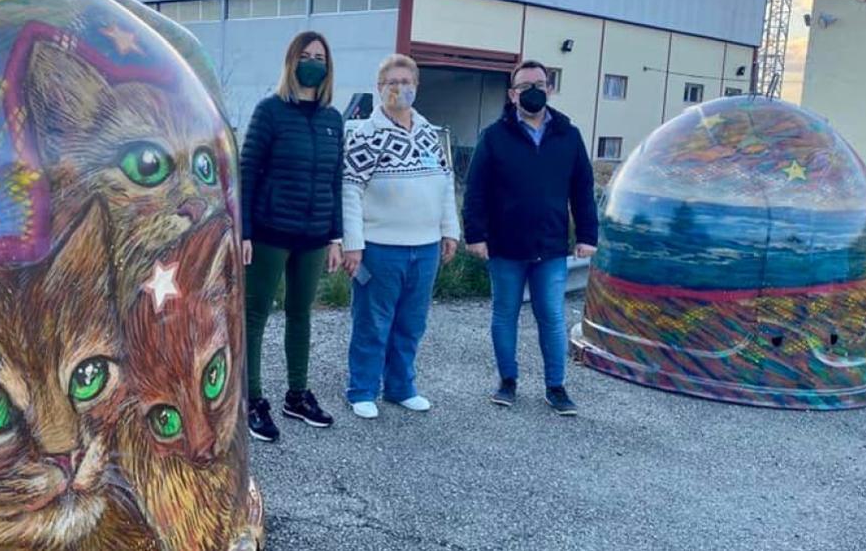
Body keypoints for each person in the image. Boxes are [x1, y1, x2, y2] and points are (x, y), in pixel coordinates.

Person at [462, 60, 599, 415]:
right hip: (505, 246)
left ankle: (556, 387)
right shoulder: (494, 136)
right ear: (512, 94)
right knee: (504, 314)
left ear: (550, 89)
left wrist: (587, 234)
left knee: (551, 316)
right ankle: (507, 382)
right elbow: (475, 189)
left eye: (539, 84)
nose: (533, 91)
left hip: (551, 247)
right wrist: (475, 234)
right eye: (524, 86)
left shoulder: (568, 134)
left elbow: (583, 188)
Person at [239, 30, 345, 442]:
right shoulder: (269, 112)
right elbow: (247, 174)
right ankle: (252, 399)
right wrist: (245, 231)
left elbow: (335, 180)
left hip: (315, 236)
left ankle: (296, 395)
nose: (313, 62)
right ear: (292, 61)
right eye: (306, 55)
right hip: (269, 233)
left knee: (301, 314)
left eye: (320, 55)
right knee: (255, 316)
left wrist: (335, 235)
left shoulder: (333, 120)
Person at [341, 54, 459, 419]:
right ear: (379, 89)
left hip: (424, 249)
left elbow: (445, 185)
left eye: (406, 82)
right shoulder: (364, 135)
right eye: (392, 82)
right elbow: (350, 190)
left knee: (411, 323)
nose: (400, 88)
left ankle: (400, 387)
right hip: (379, 249)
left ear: (417, 87)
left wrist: (449, 230)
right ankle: (361, 389)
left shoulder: (430, 133)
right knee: (373, 323)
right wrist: (353, 243)